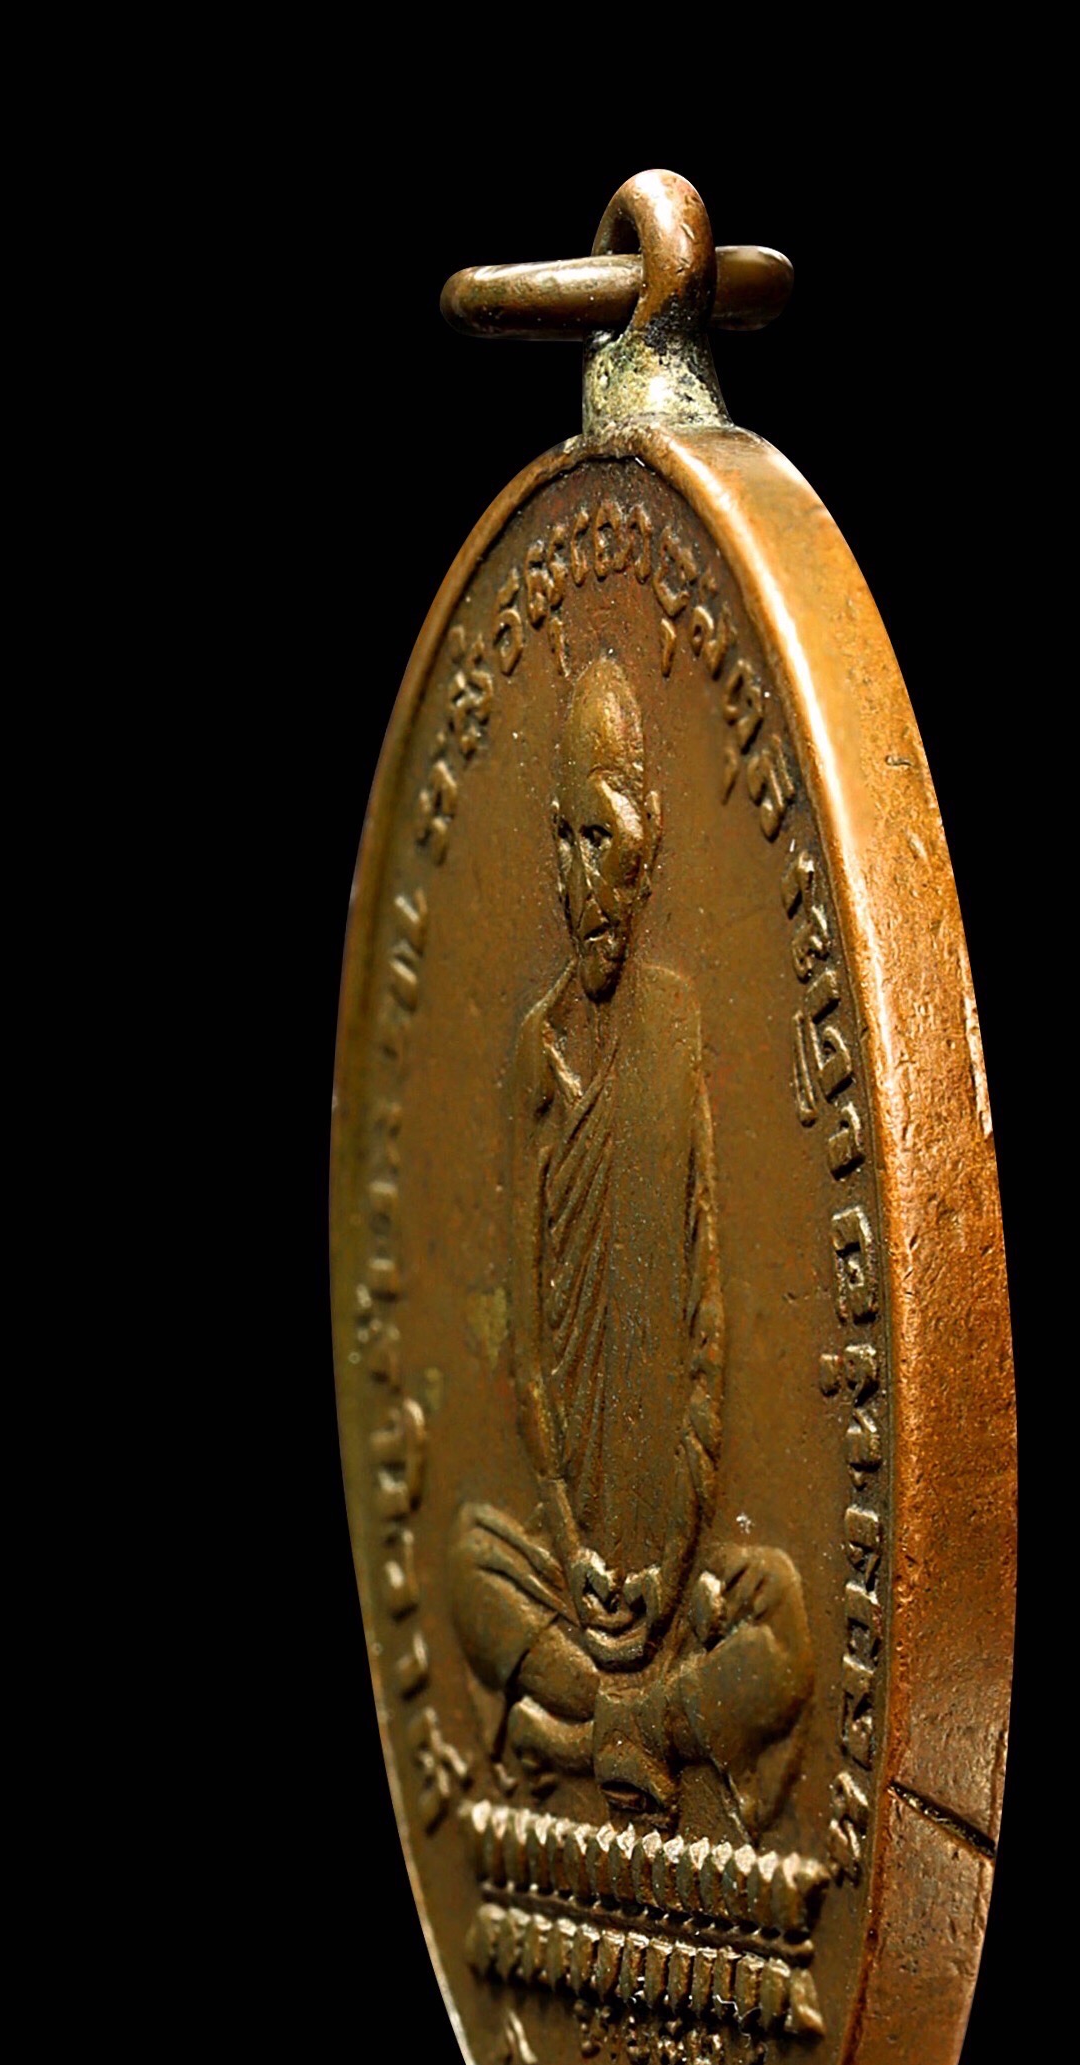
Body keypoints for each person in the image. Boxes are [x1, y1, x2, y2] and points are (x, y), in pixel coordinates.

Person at [449, 653, 810, 1839]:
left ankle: (590, 1734)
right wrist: (570, 1549)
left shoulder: (677, 1026)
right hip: (574, 1568)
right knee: (467, 1566)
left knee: (783, 1628)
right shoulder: (535, 1051)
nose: (576, 882)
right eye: (560, 841)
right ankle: (648, 1728)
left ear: (647, 838)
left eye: (599, 838)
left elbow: (704, 1323)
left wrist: (672, 1547)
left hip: (673, 1562)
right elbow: (529, 1358)